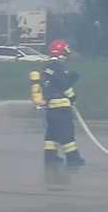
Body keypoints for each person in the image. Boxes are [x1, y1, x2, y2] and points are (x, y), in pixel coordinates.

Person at [29, 39, 84, 168]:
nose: (67, 55)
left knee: (52, 133)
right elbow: (62, 84)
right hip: (61, 107)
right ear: (62, 52)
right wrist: (72, 96)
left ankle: (50, 157)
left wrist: (70, 78)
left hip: (51, 108)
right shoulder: (58, 65)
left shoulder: (46, 66)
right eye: (66, 52)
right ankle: (73, 158)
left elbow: (52, 84)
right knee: (67, 133)